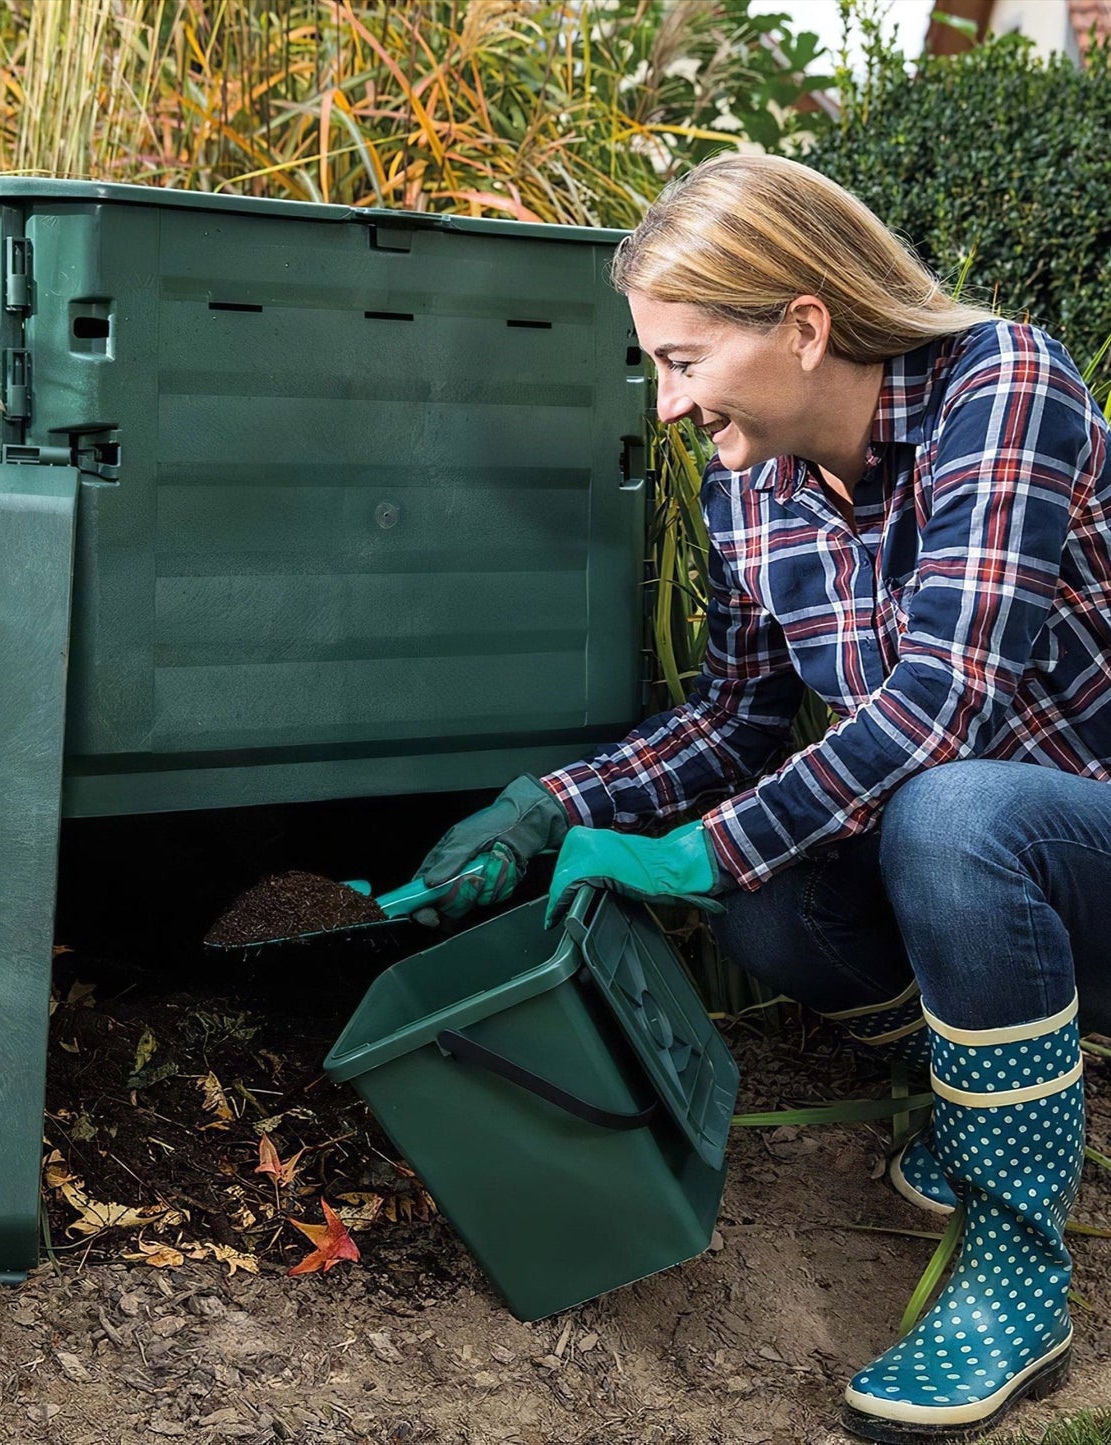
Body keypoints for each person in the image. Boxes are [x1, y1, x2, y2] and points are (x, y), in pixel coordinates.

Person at [415, 152, 1111, 1442]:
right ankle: (980, 1121)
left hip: (1092, 846)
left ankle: (1020, 1265)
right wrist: (555, 808)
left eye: (684, 363)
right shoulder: (750, 489)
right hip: (986, 882)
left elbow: (940, 704)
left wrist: (691, 854)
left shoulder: (1005, 388)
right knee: (775, 907)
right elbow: (735, 720)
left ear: (804, 325)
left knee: (949, 812)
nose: (671, 408)